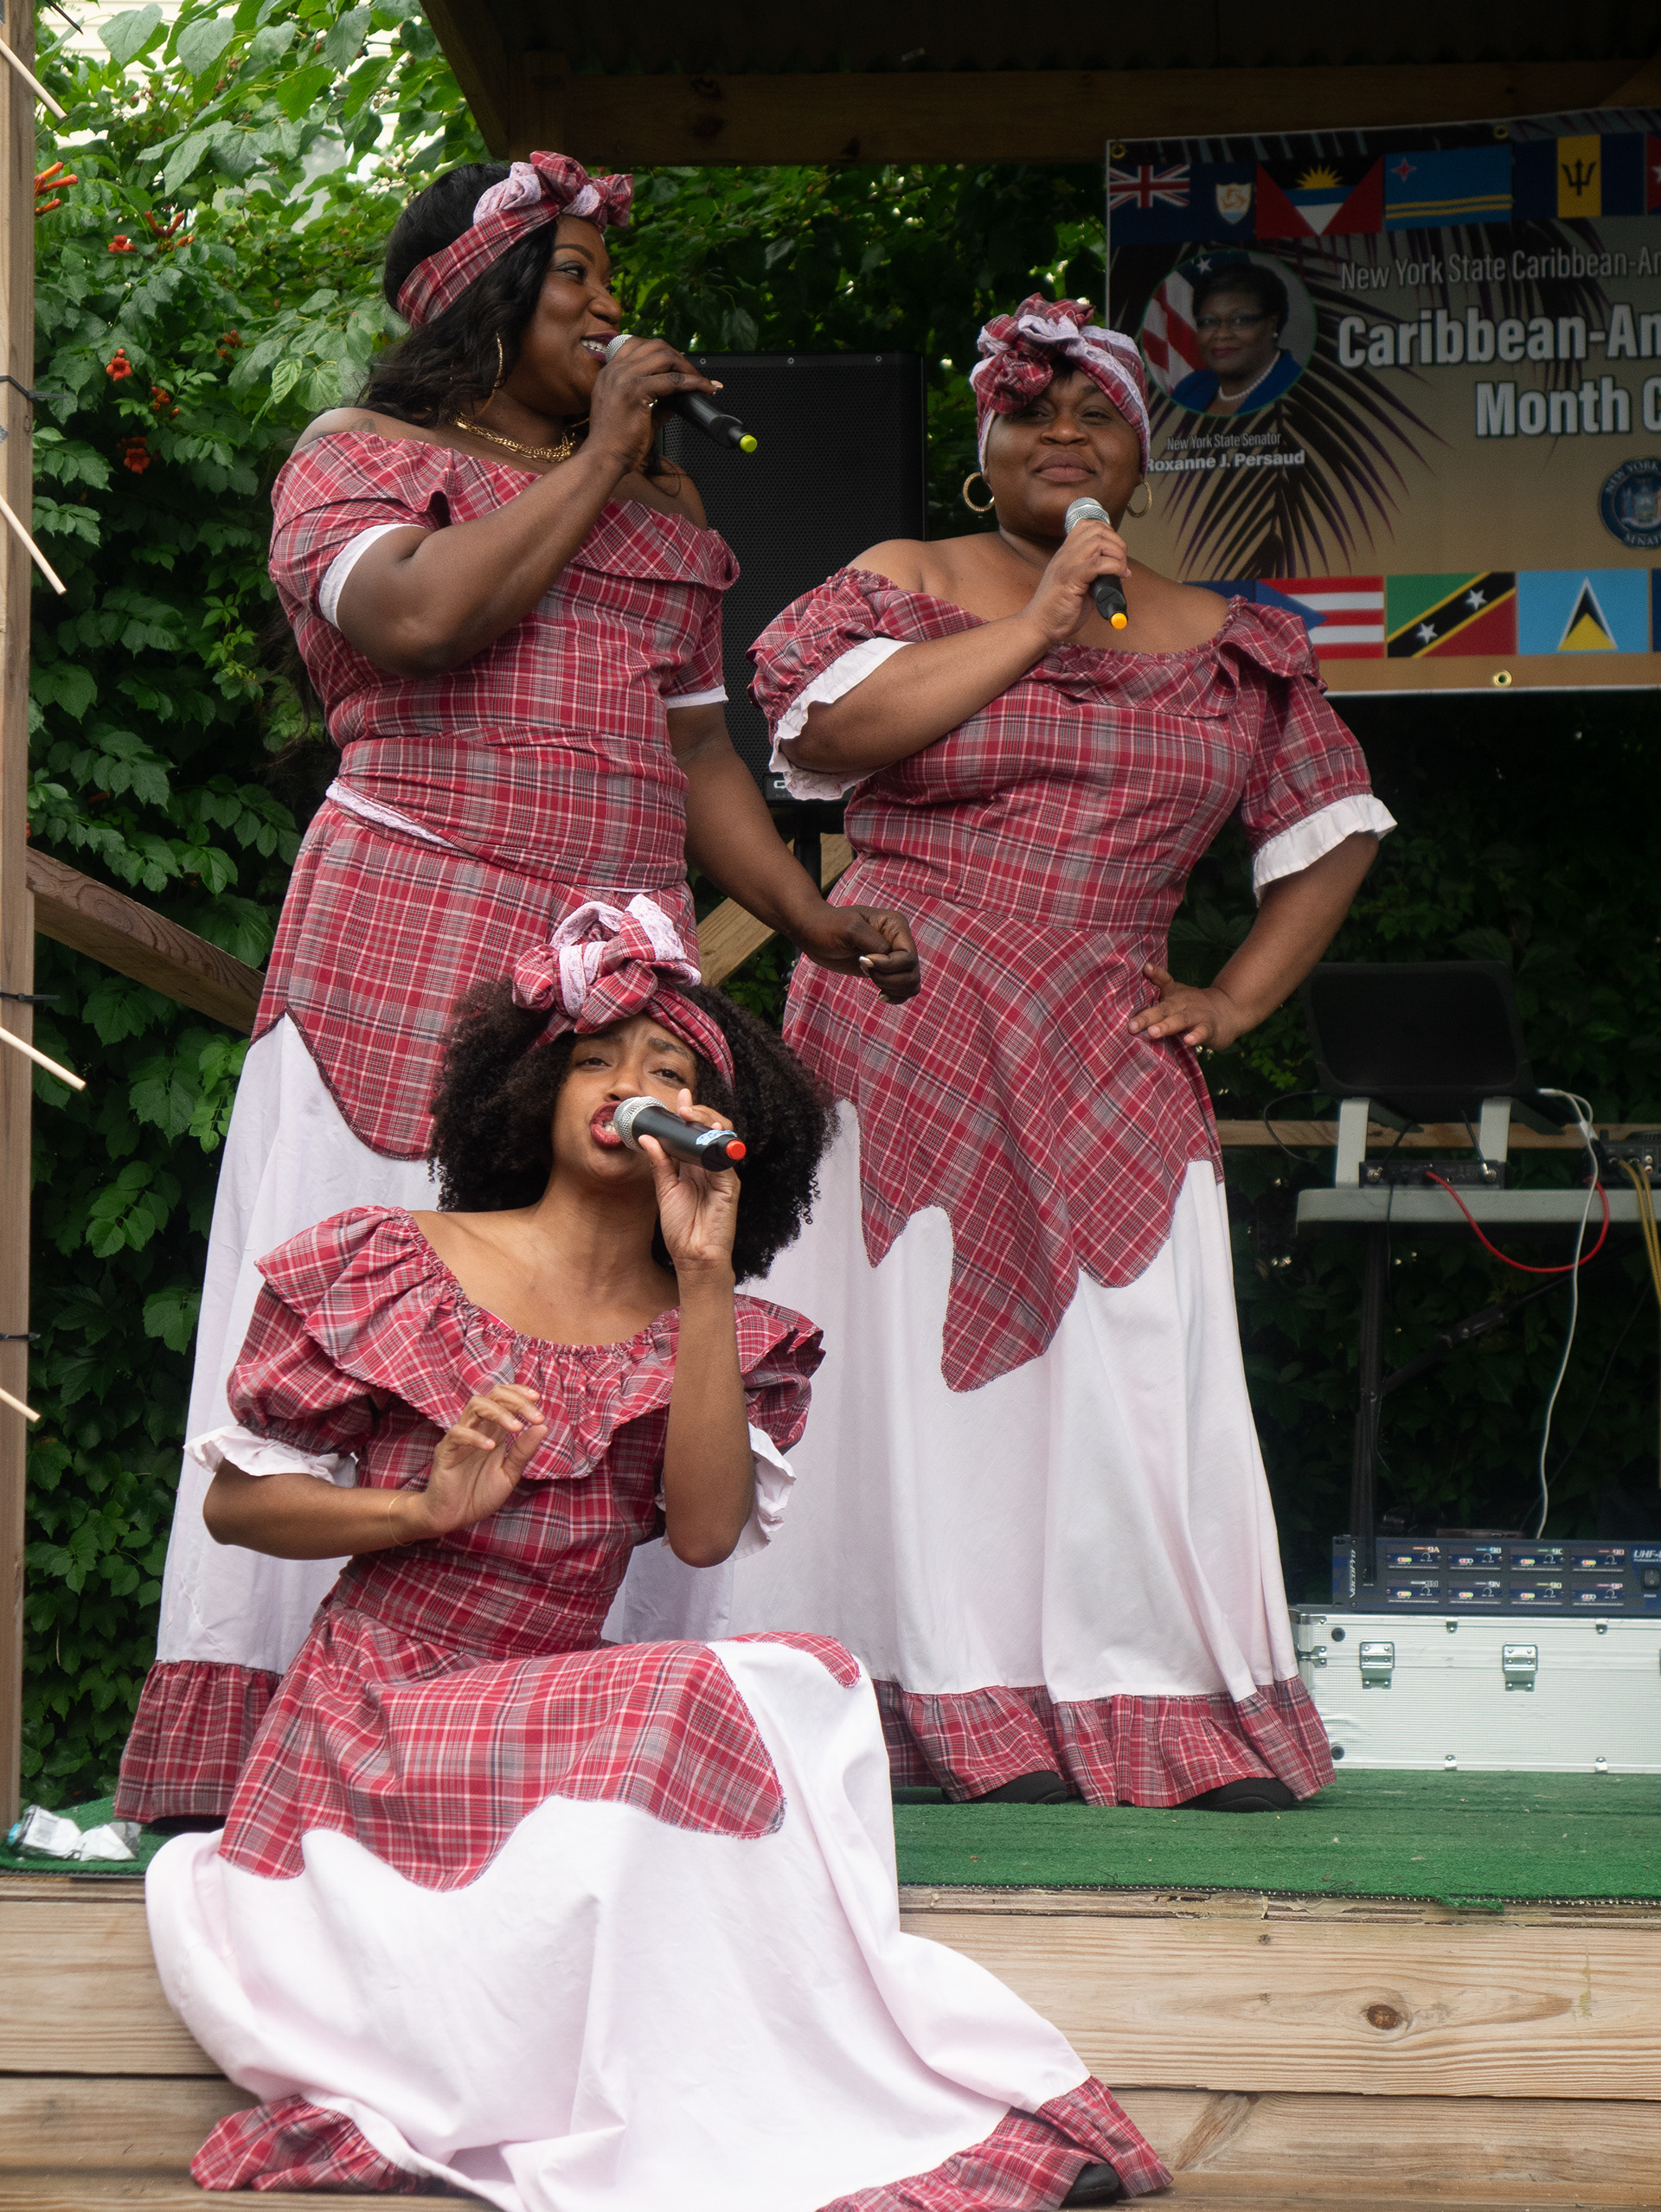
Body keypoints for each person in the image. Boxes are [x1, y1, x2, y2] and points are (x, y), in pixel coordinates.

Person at [116, 153, 916, 1826]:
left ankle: (608, 1736)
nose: (612, 310)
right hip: (402, 941)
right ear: (475, 301)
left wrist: (807, 914)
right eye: (575, 282)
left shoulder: (669, 517)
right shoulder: (357, 457)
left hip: (622, 983)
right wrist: (607, 453)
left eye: (614, 285)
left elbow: (701, 757)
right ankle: (274, 1738)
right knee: (365, 1318)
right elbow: (419, 618)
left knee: (638, 1299)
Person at [144, 904, 1168, 2209]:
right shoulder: (391, 1262)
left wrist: (701, 1277)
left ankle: (819, 2102)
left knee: (802, 1675)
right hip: (379, 1717)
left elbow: (701, 1529)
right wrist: (418, 1510)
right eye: (596, 1059)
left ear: (714, 1128)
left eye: (669, 1074)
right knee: (694, 1688)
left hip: (556, 1704)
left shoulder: (724, 1323)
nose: (628, 1087)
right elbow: (239, 1506)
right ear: (532, 1087)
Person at [726, 296, 1395, 1809]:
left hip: (1105, 1029)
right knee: (899, 1361)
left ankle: (1139, 1693)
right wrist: (1034, 624)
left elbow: (1334, 829)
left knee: (1129, 1354)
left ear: (1142, 460)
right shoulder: (906, 580)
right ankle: (918, 1694)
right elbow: (822, 741)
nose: (1063, 434)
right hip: (900, 1017)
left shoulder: (1232, 641)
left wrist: (1235, 998)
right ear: (987, 444)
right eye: (1031, 412)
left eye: (1097, 414)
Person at [1170, 262, 1302, 416]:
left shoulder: (1299, 390)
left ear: (1272, 324)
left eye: (1240, 321)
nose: (1221, 334)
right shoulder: (1190, 387)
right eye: (1208, 322)